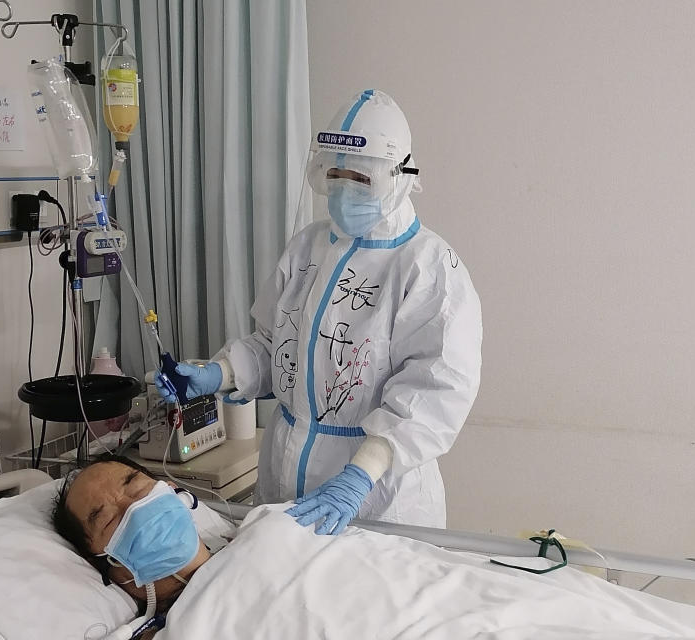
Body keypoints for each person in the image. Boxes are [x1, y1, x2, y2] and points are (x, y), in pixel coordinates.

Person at [156, 89, 482, 534]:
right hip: (284, 480)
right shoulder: (309, 247)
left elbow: (435, 393)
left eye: (361, 180)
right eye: (337, 175)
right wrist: (219, 374)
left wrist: (359, 476)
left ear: (400, 177)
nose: (345, 192)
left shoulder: (428, 268)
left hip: (376, 501)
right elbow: (276, 344)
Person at [52, 455, 214, 614]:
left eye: (137, 488)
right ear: (99, 564)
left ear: (171, 489)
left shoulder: (238, 549)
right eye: (107, 519)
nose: (134, 508)